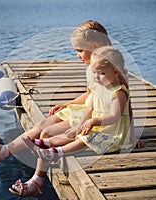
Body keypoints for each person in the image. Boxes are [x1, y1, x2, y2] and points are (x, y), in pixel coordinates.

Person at [0, 20, 144, 163]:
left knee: (46, 131)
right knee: (41, 124)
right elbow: (90, 95)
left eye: (80, 50)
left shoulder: (115, 72)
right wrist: (67, 104)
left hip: (96, 116)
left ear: (94, 46)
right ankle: (3, 151)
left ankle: (31, 171)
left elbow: (126, 106)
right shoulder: (93, 68)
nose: (77, 55)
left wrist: (131, 136)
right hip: (87, 110)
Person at [9, 46, 133, 197]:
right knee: (69, 135)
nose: (96, 77)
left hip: (113, 136)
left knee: (85, 138)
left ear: (115, 72)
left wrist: (95, 122)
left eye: (101, 73)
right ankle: (43, 151)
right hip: (96, 129)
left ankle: (55, 153)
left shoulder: (118, 93)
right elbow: (88, 110)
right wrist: (78, 127)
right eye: (94, 72)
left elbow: (114, 116)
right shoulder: (97, 88)